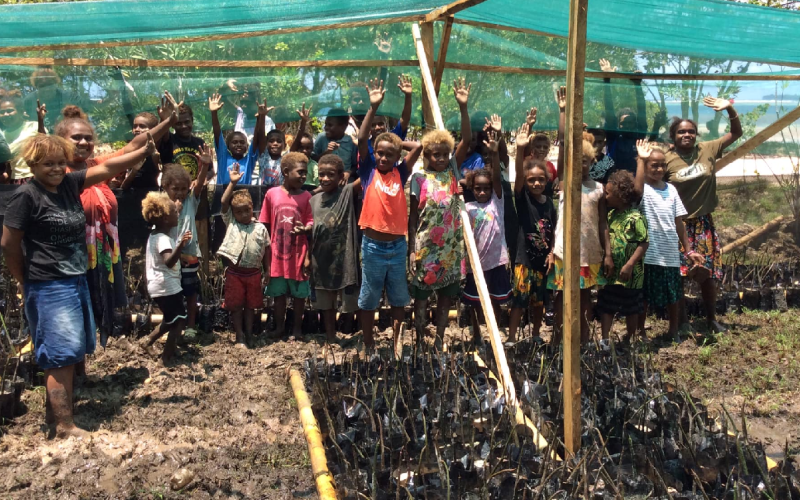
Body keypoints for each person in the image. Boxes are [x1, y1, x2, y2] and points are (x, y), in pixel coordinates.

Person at [1, 133, 155, 438]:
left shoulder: (70, 185)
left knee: (70, 352)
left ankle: (53, 416)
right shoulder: (27, 197)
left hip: (74, 279)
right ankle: (63, 425)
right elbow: (9, 244)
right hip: (48, 285)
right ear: (32, 165)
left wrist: (143, 152)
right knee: (60, 354)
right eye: (48, 164)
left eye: (60, 162)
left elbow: (108, 168)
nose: (57, 169)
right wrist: (25, 280)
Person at [56, 104, 177, 346]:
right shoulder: (59, 174)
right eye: (76, 138)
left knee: (100, 307)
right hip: (74, 258)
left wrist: (169, 121)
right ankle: (75, 365)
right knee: (76, 311)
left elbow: (133, 145)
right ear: (61, 142)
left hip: (103, 255)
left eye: (88, 138)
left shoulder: (96, 165)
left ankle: (90, 358)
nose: (83, 142)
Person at [665, 96, 742, 334]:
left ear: (696, 135)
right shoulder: (666, 158)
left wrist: (729, 108)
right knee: (678, 274)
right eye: (681, 132)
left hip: (703, 224)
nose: (686, 135)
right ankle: (683, 321)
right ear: (673, 136)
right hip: (677, 224)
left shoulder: (707, 149)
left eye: (691, 132)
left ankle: (711, 319)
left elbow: (736, 133)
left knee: (708, 274)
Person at [356, 81, 423, 352]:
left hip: (397, 247)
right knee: (369, 298)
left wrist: (394, 141)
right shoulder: (368, 171)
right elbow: (362, 140)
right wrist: (373, 109)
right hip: (372, 246)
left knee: (398, 298)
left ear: (397, 157)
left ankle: (396, 344)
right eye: (379, 153)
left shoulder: (400, 173)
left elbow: (417, 146)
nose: (383, 157)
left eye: (389, 154)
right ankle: (369, 344)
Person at [408, 78, 471, 346]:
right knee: (421, 296)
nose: (441, 158)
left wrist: (462, 107)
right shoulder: (419, 178)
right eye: (435, 154)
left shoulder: (453, 173)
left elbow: (467, 138)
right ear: (427, 155)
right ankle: (421, 337)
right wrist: (411, 248)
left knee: (447, 297)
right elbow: (412, 218)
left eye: (445, 154)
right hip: (425, 247)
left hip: (451, 247)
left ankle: (440, 339)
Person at [549, 87, 611, 343]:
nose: (581, 165)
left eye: (585, 161)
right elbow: (563, 143)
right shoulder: (565, 183)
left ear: (591, 163)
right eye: (577, 161)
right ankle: (558, 338)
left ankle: (584, 340)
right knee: (562, 296)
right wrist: (563, 112)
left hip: (590, 252)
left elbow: (603, 222)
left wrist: (607, 252)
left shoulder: (599, 189)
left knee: (585, 297)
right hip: (565, 251)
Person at [634, 139, 704, 340]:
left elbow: (679, 222)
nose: (658, 169)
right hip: (648, 251)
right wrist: (640, 158)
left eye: (661, 165)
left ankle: (673, 330)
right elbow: (636, 192)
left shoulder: (671, 189)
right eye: (653, 165)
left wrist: (688, 250)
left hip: (670, 251)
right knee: (644, 294)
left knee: (674, 293)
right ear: (645, 166)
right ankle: (640, 331)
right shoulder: (642, 188)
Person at [462, 132, 514, 344]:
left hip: (497, 261)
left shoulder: (497, 201)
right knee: (475, 301)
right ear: (472, 189)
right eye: (478, 189)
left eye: (486, 188)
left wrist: (494, 153)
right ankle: (476, 332)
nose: (482, 192)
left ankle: (494, 331)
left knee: (495, 299)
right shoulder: (468, 208)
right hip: (477, 263)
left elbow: (496, 178)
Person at [508, 125, 557, 342]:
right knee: (519, 301)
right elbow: (519, 173)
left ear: (547, 181)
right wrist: (520, 150)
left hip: (543, 262)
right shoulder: (522, 198)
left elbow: (555, 231)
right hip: (524, 261)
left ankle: (536, 334)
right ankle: (511, 337)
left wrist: (553, 252)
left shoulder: (549, 205)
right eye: (531, 180)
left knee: (539, 302)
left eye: (541, 180)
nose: (536, 183)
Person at [258, 152, 313, 338]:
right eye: (300, 172)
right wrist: (265, 258)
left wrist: (307, 254)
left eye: (306, 173)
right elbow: (265, 225)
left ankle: (297, 329)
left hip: (298, 255)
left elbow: (311, 224)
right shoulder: (272, 194)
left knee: (299, 297)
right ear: (286, 172)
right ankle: (280, 327)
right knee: (278, 295)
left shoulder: (307, 197)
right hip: (277, 255)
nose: (304, 176)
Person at [309, 154, 360, 342]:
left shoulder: (346, 192)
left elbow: (369, 173)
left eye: (331, 175)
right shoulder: (313, 200)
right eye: (321, 174)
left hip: (343, 258)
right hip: (320, 258)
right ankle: (330, 337)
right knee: (326, 302)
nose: (325, 179)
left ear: (341, 177)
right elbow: (310, 227)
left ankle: (352, 333)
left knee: (347, 298)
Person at [160, 150, 211, 342]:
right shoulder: (161, 204)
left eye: (183, 188)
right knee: (171, 293)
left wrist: (204, 166)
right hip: (169, 256)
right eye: (176, 189)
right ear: (165, 187)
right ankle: (172, 326)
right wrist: (173, 210)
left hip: (189, 255)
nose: (180, 193)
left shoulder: (191, 200)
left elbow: (198, 185)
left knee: (190, 292)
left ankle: (190, 326)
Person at [218, 163, 270, 347]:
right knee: (236, 306)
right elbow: (224, 203)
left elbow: (266, 250)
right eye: (238, 212)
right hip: (235, 273)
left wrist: (268, 270)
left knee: (251, 306)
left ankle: (249, 334)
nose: (243, 214)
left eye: (246, 210)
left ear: (252, 207)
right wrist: (232, 184)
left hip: (254, 274)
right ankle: (239, 335)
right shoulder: (231, 222)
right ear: (233, 213)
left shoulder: (260, 228)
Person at [140, 192, 192, 362]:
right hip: (166, 286)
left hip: (160, 286)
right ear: (165, 220)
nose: (177, 215)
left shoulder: (155, 234)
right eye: (174, 213)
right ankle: (167, 357)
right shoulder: (163, 239)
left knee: (171, 319)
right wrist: (180, 245)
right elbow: (168, 261)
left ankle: (148, 342)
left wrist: (179, 260)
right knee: (179, 320)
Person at [597, 170, 649, 341]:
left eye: (608, 193)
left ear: (620, 196)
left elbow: (644, 242)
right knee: (607, 303)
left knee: (631, 306)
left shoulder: (636, 217)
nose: (605, 197)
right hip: (612, 271)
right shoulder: (611, 215)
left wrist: (630, 264)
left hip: (631, 273)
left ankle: (631, 336)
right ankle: (605, 338)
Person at [209, 92, 266, 185]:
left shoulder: (249, 160)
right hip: (223, 196)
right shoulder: (223, 157)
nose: (238, 144)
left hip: (244, 196)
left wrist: (260, 118)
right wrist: (214, 113)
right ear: (228, 146)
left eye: (242, 142)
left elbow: (257, 138)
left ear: (247, 146)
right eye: (234, 142)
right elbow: (217, 132)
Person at [23, 67, 92, 131]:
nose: (47, 89)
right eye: (42, 86)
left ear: (56, 83)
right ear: (36, 86)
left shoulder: (69, 97)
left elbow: (87, 108)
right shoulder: (28, 101)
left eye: (50, 84)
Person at [0, 90, 43, 184]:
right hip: (12, 181)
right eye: (2, 112)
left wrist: (41, 121)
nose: (5, 115)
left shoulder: (34, 127)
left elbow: (46, 146)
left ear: (20, 111)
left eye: (10, 111)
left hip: (35, 178)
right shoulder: (2, 136)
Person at [366, 74, 413, 156]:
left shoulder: (394, 137)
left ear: (386, 124)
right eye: (373, 125)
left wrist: (408, 96)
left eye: (380, 124)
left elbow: (405, 120)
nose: (377, 128)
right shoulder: (365, 145)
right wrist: (374, 105)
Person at [117, 112, 162, 190]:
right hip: (132, 196)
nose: (137, 129)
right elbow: (123, 187)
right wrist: (134, 171)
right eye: (135, 126)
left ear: (153, 129)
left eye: (142, 126)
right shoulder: (129, 151)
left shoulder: (159, 149)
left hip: (152, 195)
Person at [313, 109, 357, 183]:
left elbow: (355, 165)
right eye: (326, 124)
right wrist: (327, 152)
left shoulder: (350, 142)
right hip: (324, 183)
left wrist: (348, 173)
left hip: (344, 183)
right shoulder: (321, 138)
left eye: (330, 125)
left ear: (343, 127)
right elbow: (313, 161)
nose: (326, 128)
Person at [288, 103, 319, 189]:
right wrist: (303, 122)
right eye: (301, 148)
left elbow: (319, 185)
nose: (305, 151)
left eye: (308, 148)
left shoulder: (314, 166)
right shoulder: (291, 164)